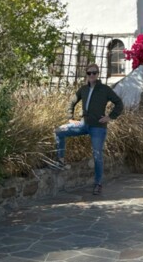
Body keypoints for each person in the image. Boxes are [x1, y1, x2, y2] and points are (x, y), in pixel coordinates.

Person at [54, 63, 124, 195]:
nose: (92, 75)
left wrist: (110, 117)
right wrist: (70, 118)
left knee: (97, 155)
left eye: (94, 73)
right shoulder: (83, 89)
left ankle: (98, 184)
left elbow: (119, 103)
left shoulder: (105, 89)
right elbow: (71, 102)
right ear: (86, 74)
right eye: (89, 73)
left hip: (98, 127)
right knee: (59, 131)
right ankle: (60, 161)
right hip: (82, 124)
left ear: (98, 74)